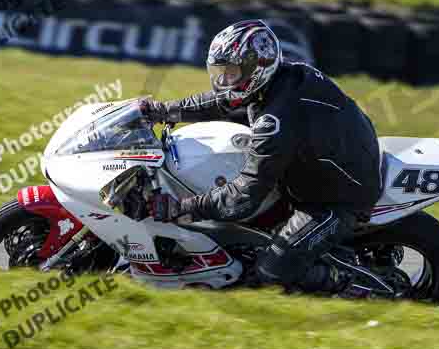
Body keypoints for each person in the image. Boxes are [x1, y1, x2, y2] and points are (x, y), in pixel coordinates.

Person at [139, 19, 382, 294]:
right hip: (328, 159)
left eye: (230, 72)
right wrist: (162, 111)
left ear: (257, 68)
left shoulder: (275, 120)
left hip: (337, 199)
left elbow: (243, 198)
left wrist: (182, 208)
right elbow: (221, 101)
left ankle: (351, 286)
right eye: (220, 72)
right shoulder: (282, 78)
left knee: (271, 270)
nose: (223, 81)